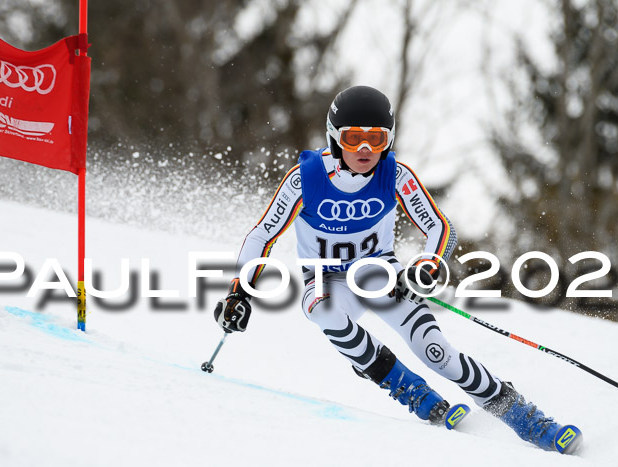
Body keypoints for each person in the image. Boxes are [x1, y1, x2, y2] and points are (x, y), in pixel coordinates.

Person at [213, 86, 582, 454]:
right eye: (353, 138)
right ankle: (403, 384)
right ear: (334, 138)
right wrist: (239, 293)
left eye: (376, 139)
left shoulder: (396, 175)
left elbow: (441, 227)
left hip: (381, 275)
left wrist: (426, 265)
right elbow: (262, 235)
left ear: (388, 141)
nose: (364, 150)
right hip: (325, 279)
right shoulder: (304, 179)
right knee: (322, 310)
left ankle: (524, 416)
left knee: (437, 352)